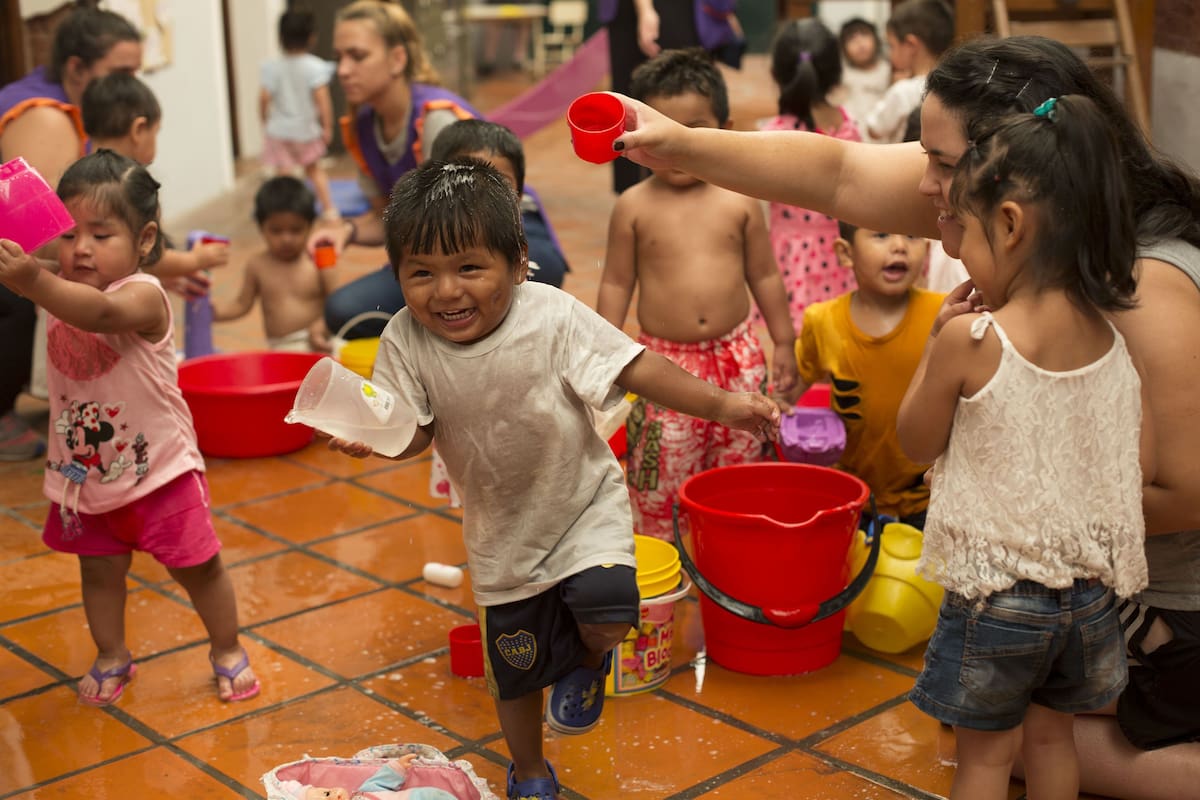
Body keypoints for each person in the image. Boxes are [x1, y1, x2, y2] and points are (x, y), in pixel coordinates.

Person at [608, 31, 1200, 800]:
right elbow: (841, 173)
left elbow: (1185, 491)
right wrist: (676, 141)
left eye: (941, 164)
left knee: (978, 734)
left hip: (1162, 601)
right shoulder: (1051, 222)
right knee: (1007, 719)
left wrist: (1016, 512)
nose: (923, 186)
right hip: (1077, 569)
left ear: (1014, 189)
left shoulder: (1149, 287)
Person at [327, 157, 780, 800]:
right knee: (514, 673)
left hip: (581, 503)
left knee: (611, 608)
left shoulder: (552, 315)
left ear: (518, 264)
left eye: (469, 268)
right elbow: (416, 431)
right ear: (396, 274)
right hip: (501, 533)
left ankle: (589, 659)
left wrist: (725, 403)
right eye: (421, 273)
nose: (446, 291)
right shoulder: (404, 339)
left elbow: (636, 367)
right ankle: (531, 769)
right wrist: (378, 437)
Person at [897, 94, 1152, 800]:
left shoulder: (971, 340)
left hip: (997, 601)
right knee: (1052, 741)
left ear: (1009, 226)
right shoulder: (1113, 342)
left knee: (984, 760)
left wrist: (934, 343)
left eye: (967, 231)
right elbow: (1144, 465)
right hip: (1089, 600)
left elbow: (914, 441)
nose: (962, 254)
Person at [0, 150, 259, 706]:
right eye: (68, 235)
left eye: (101, 235)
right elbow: (42, 276)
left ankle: (227, 646)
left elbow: (97, 314)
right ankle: (112, 655)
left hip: (159, 472)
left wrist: (30, 279)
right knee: (98, 573)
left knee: (199, 568)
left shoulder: (143, 294)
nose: (81, 249)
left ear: (144, 240)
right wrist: (23, 263)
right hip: (85, 478)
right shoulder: (55, 280)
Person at [597, 48, 798, 541]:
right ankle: (667, 560)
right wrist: (602, 354)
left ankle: (731, 549)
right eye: (663, 131)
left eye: (693, 129)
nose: (676, 146)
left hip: (738, 358)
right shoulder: (633, 207)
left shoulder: (740, 200)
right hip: (663, 367)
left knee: (739, 468)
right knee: (660, 478)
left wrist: (784, 341)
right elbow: (616, 282)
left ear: (724, 129)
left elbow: (765, 276)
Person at [0, 6, 142, 461]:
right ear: (77, 68)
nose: (133, 85)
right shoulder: (45, 116)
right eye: (121, 72)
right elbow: (43, 234)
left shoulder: (55, 101)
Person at [311, 0, 481, 342]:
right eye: (339, 57)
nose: (342, 70)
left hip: (497, 250)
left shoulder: (437, 121)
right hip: (438, 258)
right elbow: (386, 217)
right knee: (342, 310)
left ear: (397, 59)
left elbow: (472, 228)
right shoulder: (362, 126)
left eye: (357, 56)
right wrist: (345, 230)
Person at [792, 221, 937, 528]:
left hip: (927, 495)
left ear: (926, 249)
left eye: (911, 235)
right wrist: (775, 406)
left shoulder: (943, 314)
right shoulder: (823, 321)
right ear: (846, 253)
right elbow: (794, 387)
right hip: (851, 493)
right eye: (881, 235)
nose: (899, 246)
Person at [81, 72, 231, 282]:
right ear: (139, 129)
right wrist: (197, 259)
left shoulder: (75, 179)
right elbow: (153, 258)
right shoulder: (133, 187)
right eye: (156, 131)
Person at [759, 19, 861, 328]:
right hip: (842, 256)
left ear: (776, 74)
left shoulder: (774, 136)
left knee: (797, 341)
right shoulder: (849, 127)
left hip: (791, 259)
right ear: (835, 73)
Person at [428, 118, 568, 289]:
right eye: (469, 182)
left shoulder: (541, 266)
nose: (485, 195)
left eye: (500, 183)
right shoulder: (416, 252)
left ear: (519, 195)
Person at [213, 176, 335, 351]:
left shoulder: (322, 256)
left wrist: (323, 325)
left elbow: (337, 302)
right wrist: (214, 313)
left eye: (296, 230)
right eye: (276, 231)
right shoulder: (257, 265)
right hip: (282, 347)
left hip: (320, 339)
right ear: (261, 228)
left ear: (310, 226)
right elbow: (241, 304)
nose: (286, 239)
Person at [260, 9, 339, 222]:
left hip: (279, 131)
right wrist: (328, 126)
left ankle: (283, 211)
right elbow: (323, 100)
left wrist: (265, 120)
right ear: (312, 37)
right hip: (306, 130)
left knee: (284, 172)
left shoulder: (271, 67)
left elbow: (264, 98)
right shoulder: (315, 67)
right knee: (314, 170)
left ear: (280, 37)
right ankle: (329, 210)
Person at [863, 0, 953, 143]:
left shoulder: (903, 91)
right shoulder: (953, 84)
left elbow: (874, 129)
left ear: (911, 45)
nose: (890, 54)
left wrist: (893, 87)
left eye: (892, 45)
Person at [834, 17, 891, 138]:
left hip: (884, 140)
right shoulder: (841, 75)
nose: (859, 43)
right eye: (851, 39)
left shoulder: (889, 70)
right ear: (843, 48)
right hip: (852, 139)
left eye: (864, 34)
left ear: (876, 39)